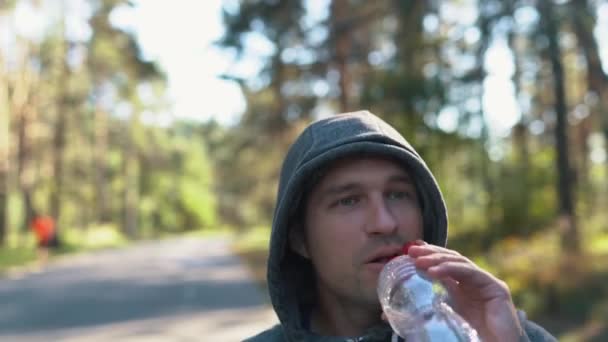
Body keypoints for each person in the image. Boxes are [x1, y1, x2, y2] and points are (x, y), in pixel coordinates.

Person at [246, 111, 556, 341]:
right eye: (349, 201)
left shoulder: (504, 332)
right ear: (299, 238)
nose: (385, 222)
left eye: (398, 194)